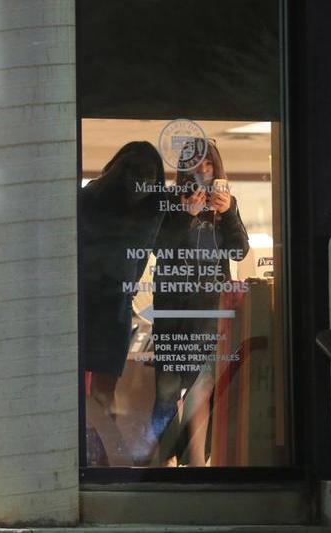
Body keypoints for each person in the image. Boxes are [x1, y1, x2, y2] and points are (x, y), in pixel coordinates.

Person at [134, 138, 249, 466]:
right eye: (195, 164)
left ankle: (197, 462)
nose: (202, 170)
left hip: (211, 307)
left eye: (208, 164)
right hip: (174, 306)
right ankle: (160, 460)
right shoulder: (169, 200)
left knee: (203, 385)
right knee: (168, 388)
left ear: (216, 167)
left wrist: (227, 213)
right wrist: (186, 215)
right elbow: (158, 248)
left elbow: (238, 251)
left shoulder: (227, 204)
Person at [80, 141, 166, 465]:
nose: (140, 184)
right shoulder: (150, 208)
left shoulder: (91, 198)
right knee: (102, 393)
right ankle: (97, 460)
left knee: (93, 393)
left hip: (96, 303)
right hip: (107, 305)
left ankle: (93, 458)